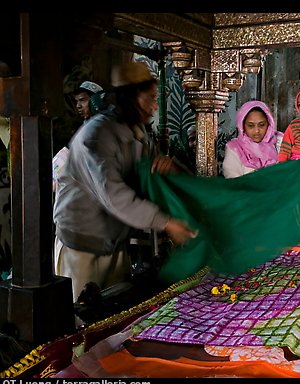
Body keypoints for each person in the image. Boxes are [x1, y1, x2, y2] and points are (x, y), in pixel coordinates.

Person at [53, 62, 198, 303]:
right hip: (81, 245)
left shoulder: (136, 132)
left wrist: (171, 167)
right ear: (130, 97)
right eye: (149, 98)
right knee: (81, 315)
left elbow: (153, 168)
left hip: (113, 241)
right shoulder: (96, 136)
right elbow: (114, 195)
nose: (154, 106)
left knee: (114, 312)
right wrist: (167, 223)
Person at [222, 100, 284, 178]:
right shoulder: (234, 148)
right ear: (242, 126)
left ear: (269, 124)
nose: (257, 130)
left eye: (261, 125)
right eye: (250, 126)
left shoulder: (280, 142)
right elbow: (233, 180)